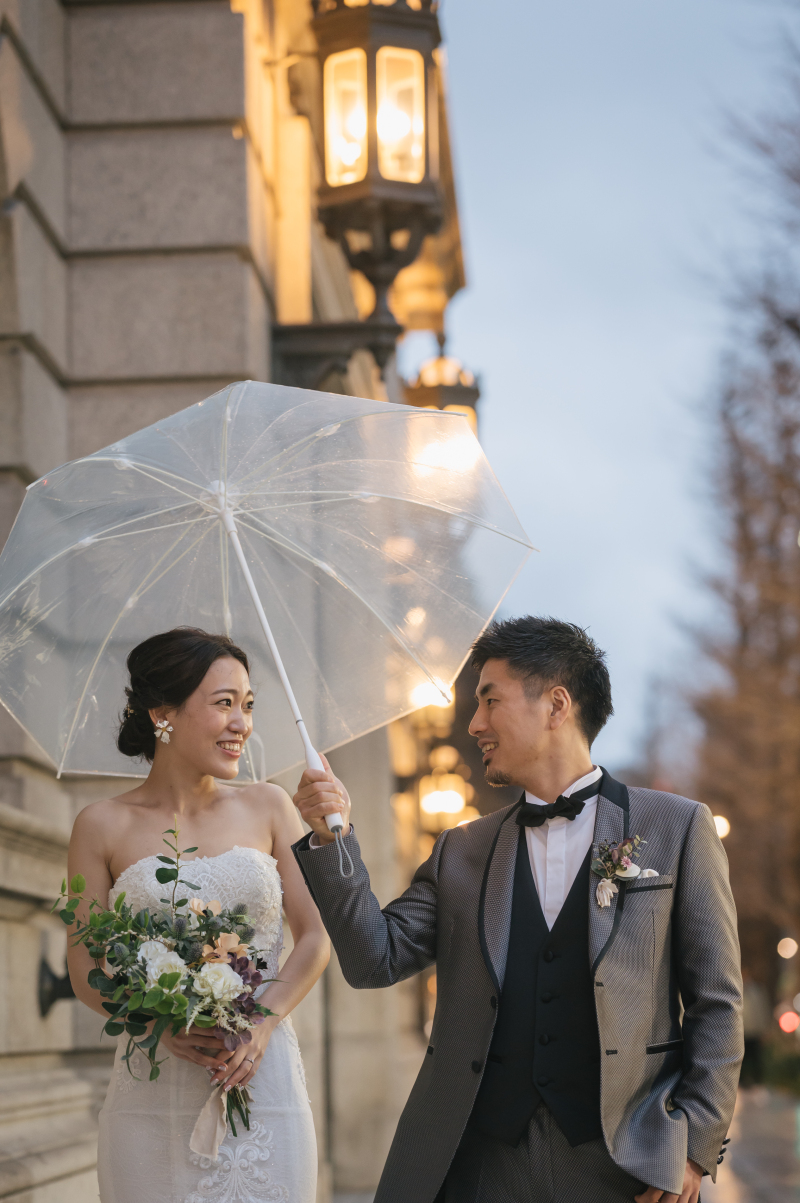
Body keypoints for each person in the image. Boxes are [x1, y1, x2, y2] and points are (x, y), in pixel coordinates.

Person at [293, 616, 743, 1203]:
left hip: (623, 1165)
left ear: (556, 705)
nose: (474, 724)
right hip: (481, 1163)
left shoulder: (676, 827)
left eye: (490, 701)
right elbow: (373, 959)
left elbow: (717, 1001)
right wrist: (334, 839)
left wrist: (694, 1145)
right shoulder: (463, 849)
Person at [67, 627, 328, 1203]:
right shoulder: (100, 825)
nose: (243, 724)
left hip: (262, 1080)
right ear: (164, 715)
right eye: (224, 704)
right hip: (149, 1091)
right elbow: (84, 964)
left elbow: (314, 939)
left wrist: (261, 1021)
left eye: (248, 705)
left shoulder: (271, 806)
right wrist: (154, 1022)